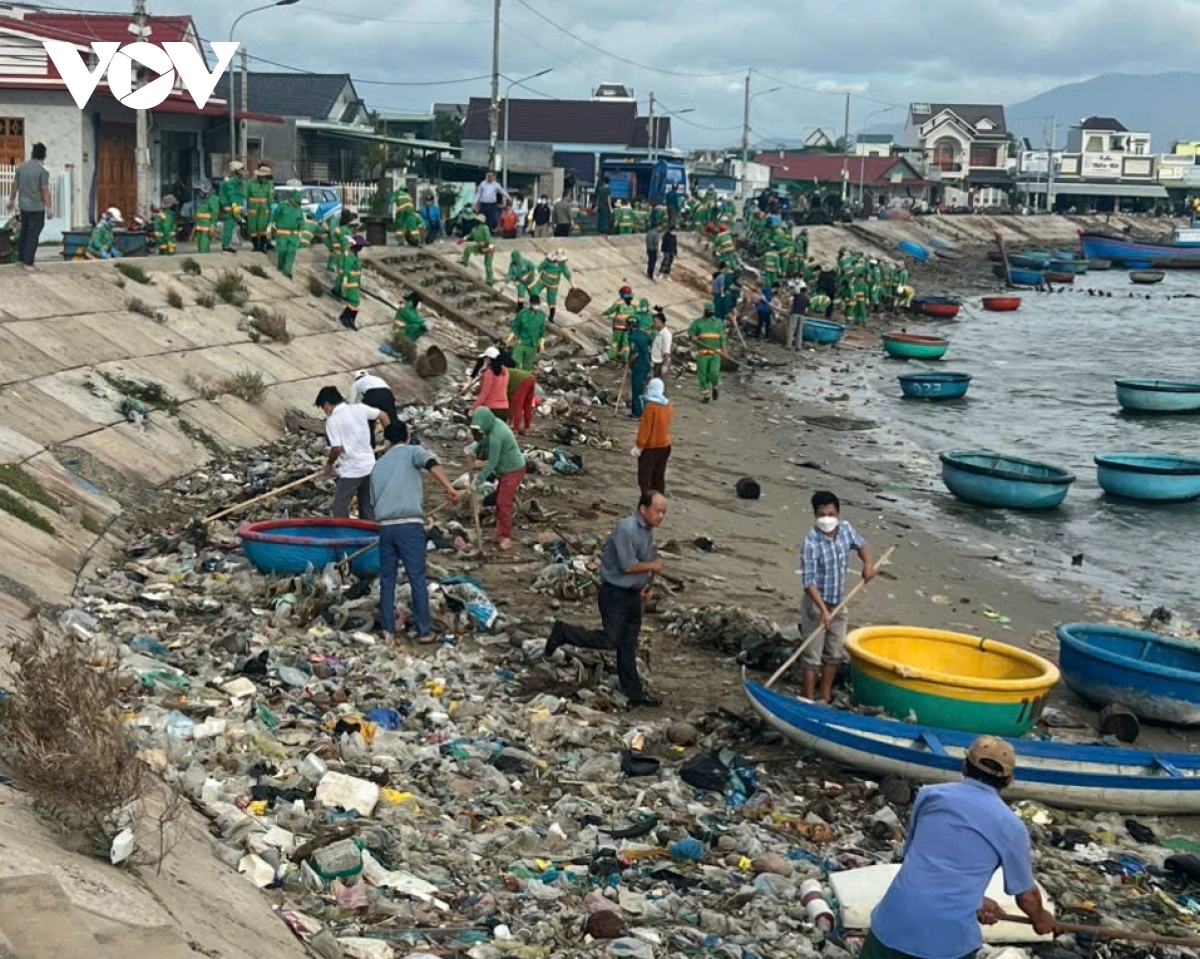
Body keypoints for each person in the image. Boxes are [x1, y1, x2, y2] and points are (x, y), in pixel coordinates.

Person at [864, 736, 1057, 959]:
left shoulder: (930, 796)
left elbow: (918, 860)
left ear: (965, 765)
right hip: (945, 942)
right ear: (1009, 779)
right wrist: (1041, 918)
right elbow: (1026, 896)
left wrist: (975, 900)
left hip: (892, 923)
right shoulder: (1011, 827)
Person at [545, 492, 667, 707]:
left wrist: (645, 585)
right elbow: (628, 565)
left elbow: (644, 561)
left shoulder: (647, 532)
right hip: (614, 593)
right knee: (611, 639)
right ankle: (563, 632)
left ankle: (635, 693)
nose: (661, 516)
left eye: (664, 512)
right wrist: (652, 567)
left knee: (628, 646)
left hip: (631, 594)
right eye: (658, 511)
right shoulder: (627, 529)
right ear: (643, 509)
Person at [371, 421, 459, 646]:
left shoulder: (378, 465)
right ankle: (423, 631)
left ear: (387, 442)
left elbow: (372, 502)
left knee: (387, 579)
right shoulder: (413, 451)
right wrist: (449, 488)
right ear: (407, 438)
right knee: (417, 578)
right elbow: (431, 463)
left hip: (386, 527)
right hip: (408, 526)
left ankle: (388, 630)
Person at [800, 490, 875, 702]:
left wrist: (868, 564)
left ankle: (824, 695)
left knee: (834, 653)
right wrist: (823, 611)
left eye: (831, 514)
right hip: (816, 604)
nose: (828, 519)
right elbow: (808, 582)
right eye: (822, 514)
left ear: (838, 514)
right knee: (812, 656)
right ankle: (807, 698)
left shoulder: (846, 530)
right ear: (815, 515)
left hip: (840, 601)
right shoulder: (811, 542)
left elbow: (861, 546)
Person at [317, 385, 390, 519]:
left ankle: (343, 537)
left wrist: (329, 465)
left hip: (351, 471)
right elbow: (383, 415)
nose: (324, 411)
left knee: (340, 508)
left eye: (323, 408)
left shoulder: (333, 420)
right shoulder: (359, 408)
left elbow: (336, 448)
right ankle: (369, 537)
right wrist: (389, 439)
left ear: (327, 404)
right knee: (367, 508)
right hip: (370, 466)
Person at [469, 407, 525, 550]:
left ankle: (506, 537)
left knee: (503, 502)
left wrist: (478, 480)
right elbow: (483, 439)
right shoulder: (494, 424)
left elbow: (492, 462)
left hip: (513, 469)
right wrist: (474, 447)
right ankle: (499, 532)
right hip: (505, 470)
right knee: (501, 500)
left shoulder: (496, 434)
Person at [7, 142, 50, 269]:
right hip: (37, 208)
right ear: (43, 155)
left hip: (24, 207)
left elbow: (15, 185)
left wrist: (11, 200)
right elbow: (44, 190)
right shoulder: (42, 171)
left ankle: (20, 259)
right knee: (33, 234)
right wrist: (49, 207)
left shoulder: (21, 168)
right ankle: (28, 262)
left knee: (24, 232)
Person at [633, 378, 672, 493]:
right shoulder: (668, 406)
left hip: (651, 447)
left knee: (645, 480)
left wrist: (639, 445)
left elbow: (646, 428)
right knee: (658, 479)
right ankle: (658, 504)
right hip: (665, 445)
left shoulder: (651, 407)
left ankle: (646, 505)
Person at [687, 302, 725, 403]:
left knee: (714, 373)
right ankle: (705, 395)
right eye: (708, 312)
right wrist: (693, 337)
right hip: (703, 353)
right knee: (702, 375)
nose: (710, 313)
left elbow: (722, 337)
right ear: (704, 311)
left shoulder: (718, 323)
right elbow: (691, 333)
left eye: (711, 312)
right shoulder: (698, 323)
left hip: (715, 354)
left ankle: (715, 386)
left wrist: (724, 349)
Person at [349, 369, 397, 445]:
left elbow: (352, 403)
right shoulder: (376, 378)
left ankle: (371, 446)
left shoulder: (356, 383)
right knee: (392, 420)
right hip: (387, 394)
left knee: (367, 423)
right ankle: (396, 442)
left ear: (356, 378)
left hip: (372, 395)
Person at [270, 189, 305, 278]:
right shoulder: (282, 206)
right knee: (282, 251)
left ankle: (287, 270)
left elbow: (301, 221)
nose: (297, 204)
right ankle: (281, 265)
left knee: (291, 252)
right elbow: (275, 216)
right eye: (296, 202)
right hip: (282, 234)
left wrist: (301, 230)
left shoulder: (298, 209)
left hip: (293, 235)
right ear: (291, 199)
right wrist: (270, 225)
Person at [508, 294, 547, 371]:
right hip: (521, 342)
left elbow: (542, 332)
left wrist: (542, 346)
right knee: (516, 363)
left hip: (533, 345)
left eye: (537, 304)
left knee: (527, 368)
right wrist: (509, 339)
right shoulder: (522, 314)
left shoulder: (541, 315)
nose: (536, 306)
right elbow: (515, 328)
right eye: (535, 304)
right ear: (530, 303)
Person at [472, 346, 511, 421]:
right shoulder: (505, 371)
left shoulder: (489, 373)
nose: (484, 360)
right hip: (504, 408)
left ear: (488, 359)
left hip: (491, 409)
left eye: (484, 358)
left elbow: (484, 393)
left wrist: (474, 408)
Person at [337, 235, 367, 329]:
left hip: (355, 282)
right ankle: (345, 317)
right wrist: (344, 282)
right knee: (354, 301)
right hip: (350, 282)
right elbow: (346, 269)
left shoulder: (354, 255)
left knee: (356, 301)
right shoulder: (350, 256)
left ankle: (350, 319)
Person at [458, 214, 496, 284]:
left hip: (489, 248)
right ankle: (464, 261)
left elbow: (489, 240)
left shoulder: (485, 228)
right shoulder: (474, 229)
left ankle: (489, 280)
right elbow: (469, 235)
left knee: (488, 264)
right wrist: (463, 239)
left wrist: (486, 247)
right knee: (468, 249)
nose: (475, 221)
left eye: (476, 220)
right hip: (480, 247)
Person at [537, 249, 572, 323]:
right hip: (543, 281)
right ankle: (529, 309)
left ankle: (551, 317)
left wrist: (572, 284)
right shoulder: (547, 261)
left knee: (552, 300)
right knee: (534, 292)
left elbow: (567, 273)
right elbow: (539, 268)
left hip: (553, 285)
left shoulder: (562, 264)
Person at [245, 165, 274, 253]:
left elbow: (270, 197)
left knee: (263, 229)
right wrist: (244, 207)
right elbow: (245, 195)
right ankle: (255, 247)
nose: (265, 178)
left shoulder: (269, 185)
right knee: (252, 228)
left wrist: (271, 207)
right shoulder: (250, 183)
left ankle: (262, 247)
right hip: (253, 209)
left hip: (264, 209)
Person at [627, 322, 653, 418]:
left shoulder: (632, 337)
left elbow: (635, 354)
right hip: (646, 364)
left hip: (639, 365)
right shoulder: (644, 334)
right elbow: (650, 343)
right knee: (642, 388)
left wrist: (628, 364)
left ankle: (638, 412)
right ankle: (639, 411)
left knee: (637, 389)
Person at [219, 161, 245, 253]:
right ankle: (226, 245)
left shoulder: (237, 182)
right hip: (231, 207)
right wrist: (233, 205)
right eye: (241, 170)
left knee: (231, 226)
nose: (243, 172)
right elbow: (230, 194)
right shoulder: (230, 182)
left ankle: (227, 244)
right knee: (229, 226)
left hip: (235, 207)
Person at [507, 366, 537, 435]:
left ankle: (515, 430)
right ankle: (527, 429)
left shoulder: (499, 374)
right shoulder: (506, 371)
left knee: (518, 406)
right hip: (531, 378)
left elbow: (507, 394)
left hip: (522, 381)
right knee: (527, 406)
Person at [192, 182, 220, 254]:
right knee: (199, 242)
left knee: (204, 243)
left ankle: (204, 257)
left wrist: (213, 224)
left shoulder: (213, 199)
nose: (199, 193)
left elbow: (215, 212)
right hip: (199, 224)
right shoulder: (201, 199)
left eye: (200, 191)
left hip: (206, 225)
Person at [788, 281, 811, 351]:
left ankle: (789, 345)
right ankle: (798, 346)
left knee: (791, 329)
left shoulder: (797, 296)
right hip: (802, 315)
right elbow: (807, 309)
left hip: (795, 313)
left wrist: (790, 311)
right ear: (806, 292)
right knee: (800, 331)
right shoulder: (807, 298)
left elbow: (791, 303)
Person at [650, 310, 672, 378]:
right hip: (656, 363)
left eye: (655, 321)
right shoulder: (658, 334)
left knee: (660, 385)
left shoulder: (666, 334)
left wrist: (664, 366)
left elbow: (666, 352)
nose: (653, 323)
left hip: (661, 364)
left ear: (661, 322)